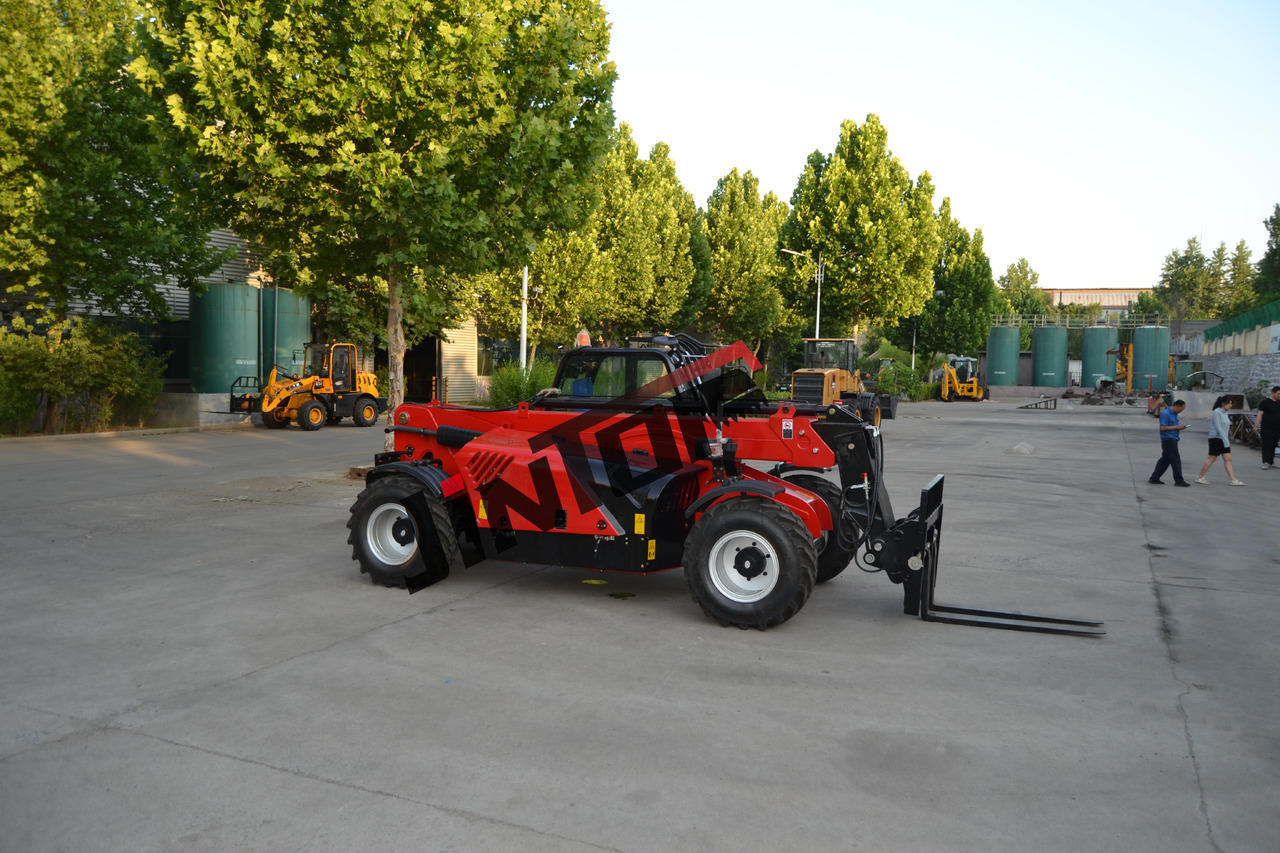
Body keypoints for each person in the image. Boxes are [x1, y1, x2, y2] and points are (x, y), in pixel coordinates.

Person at [1195, 396, 1243, 486]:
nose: (1230, 406)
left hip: (1224, 439)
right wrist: (1225, 439)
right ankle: (1200, 477)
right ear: (1223, 403)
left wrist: (1226, 439)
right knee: (1212, 458)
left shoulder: (1225, 413)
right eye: (1229, 404)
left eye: (1231, 404)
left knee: (1228, 459)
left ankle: (1233, 479)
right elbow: (1218, 427)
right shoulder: (1217, 412)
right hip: (1216, 439)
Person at [1149, 399, 1191, 486]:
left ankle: (1154, 477)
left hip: (1173, 439)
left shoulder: (1174, 414)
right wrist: (1176, 427)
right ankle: (1179, 480)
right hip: (1168, 440)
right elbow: (1163, 428)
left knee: (1165, 460)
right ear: (1177, 406)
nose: (1181, 411)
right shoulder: (1166, 414)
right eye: (1181, 409)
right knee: (1175, 460)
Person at [1256, 385, 1280, 469]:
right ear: (1273, 393)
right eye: (1278, 394)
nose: (1279, 396)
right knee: (1267, 444)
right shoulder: (1265, 402)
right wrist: (1256, 426)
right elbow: (1260, 414)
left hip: (1277, 428)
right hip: (1267, 427)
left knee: (1274, 444)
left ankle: (1271, 461)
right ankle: (1266, 462)